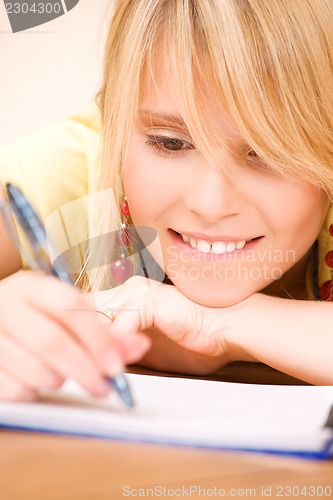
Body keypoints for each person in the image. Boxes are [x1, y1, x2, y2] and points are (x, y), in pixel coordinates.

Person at [1, 0, 333, 402]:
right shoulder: (70, 172)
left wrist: (214, 324)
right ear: (116, 121)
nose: (211, 204)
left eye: (267, 153)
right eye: (170, 142)